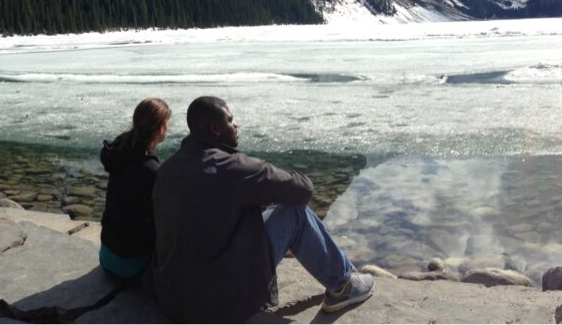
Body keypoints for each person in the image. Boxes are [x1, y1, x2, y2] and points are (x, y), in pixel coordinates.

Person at [152, 96, 373, 322]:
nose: (235, 125)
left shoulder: (168, 169)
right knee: (293, 212)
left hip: (173, 300)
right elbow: (302, 189)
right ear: (215, 129)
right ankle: (343, 285)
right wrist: (263, 183)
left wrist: (250, 201)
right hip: (219, 305)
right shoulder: (231, 167)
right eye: (230, 120)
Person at [98, 97, 171, 281]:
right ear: (162, 128)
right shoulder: (151, 170)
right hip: (132, 267)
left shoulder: (120, 151)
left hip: (107, 258)